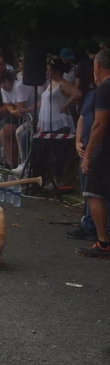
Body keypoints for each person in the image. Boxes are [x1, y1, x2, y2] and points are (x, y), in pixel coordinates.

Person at [79, 50, 110, 258]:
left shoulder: (105, 88)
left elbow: (99, 123)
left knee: (94, 192)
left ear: (97, 66)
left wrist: (88, 154)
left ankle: (103, 243)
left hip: (105, 148)